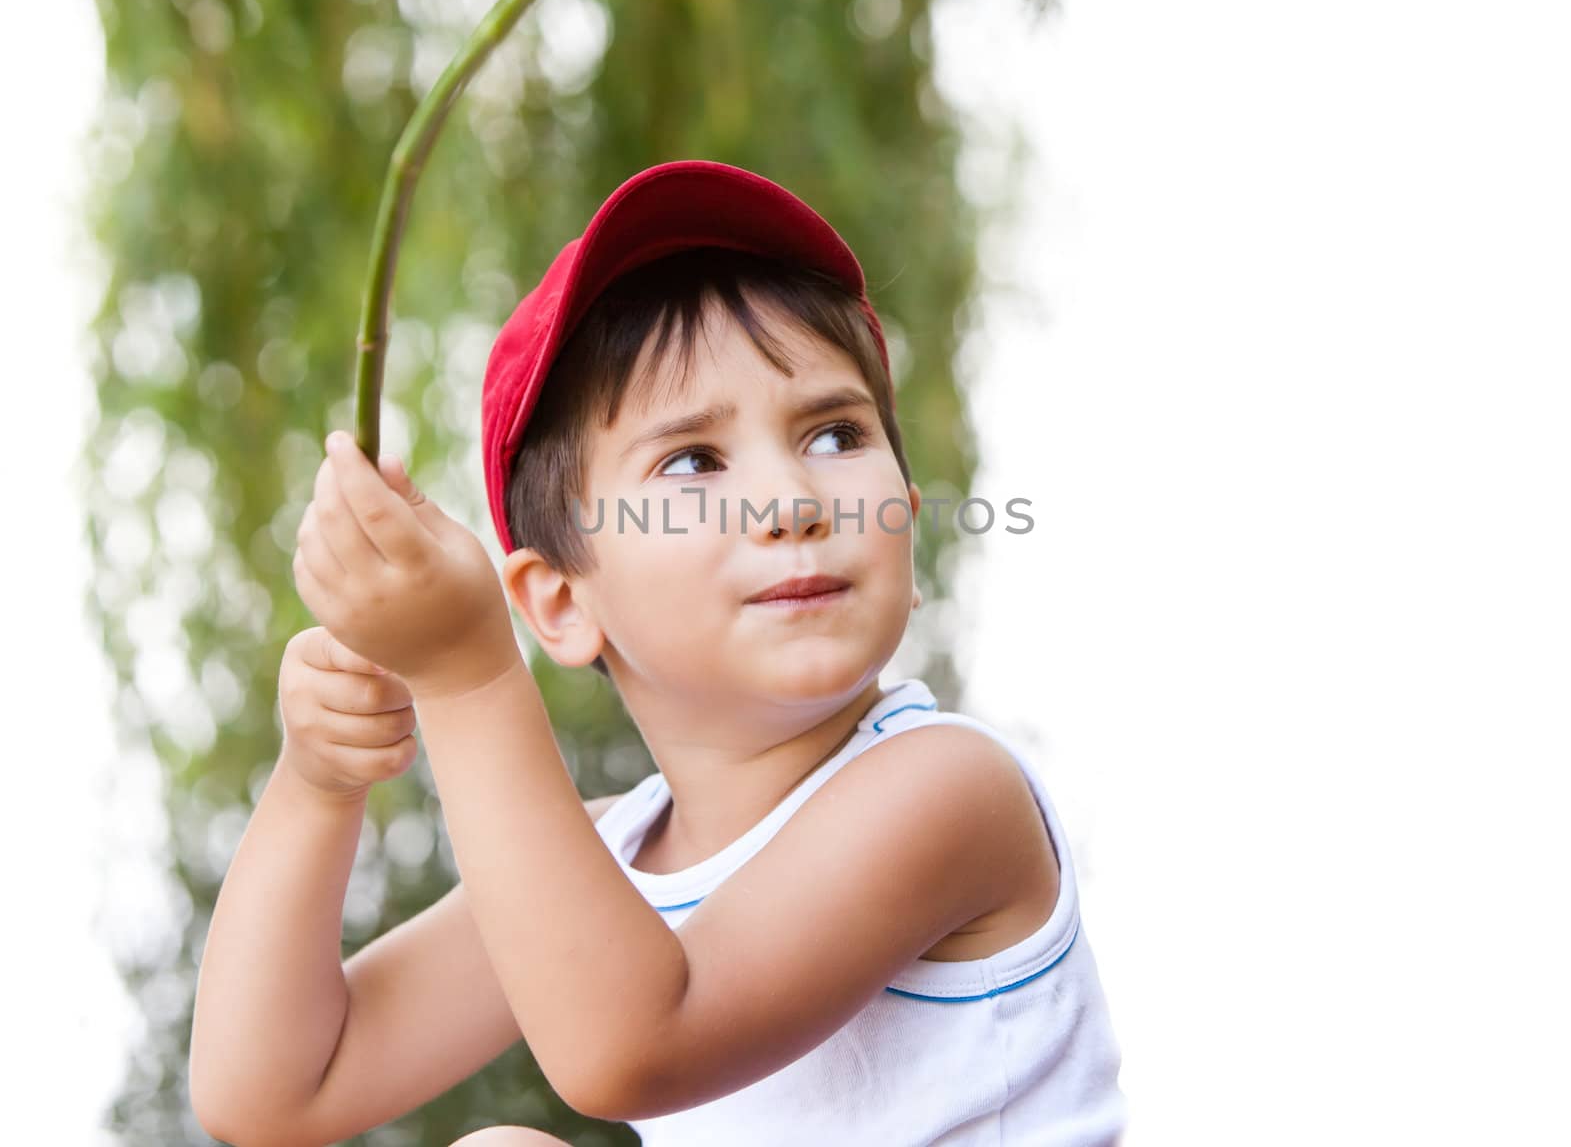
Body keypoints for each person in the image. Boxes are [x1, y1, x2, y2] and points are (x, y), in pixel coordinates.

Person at [189, 160, 1128, 1146]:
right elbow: (273, 1094)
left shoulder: (946, 789)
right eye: (693, 462)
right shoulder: (601, 864)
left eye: (835, 433)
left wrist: (466, 676)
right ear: (558, 603)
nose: (793, 504)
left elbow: (632, 1042)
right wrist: (319, 785)